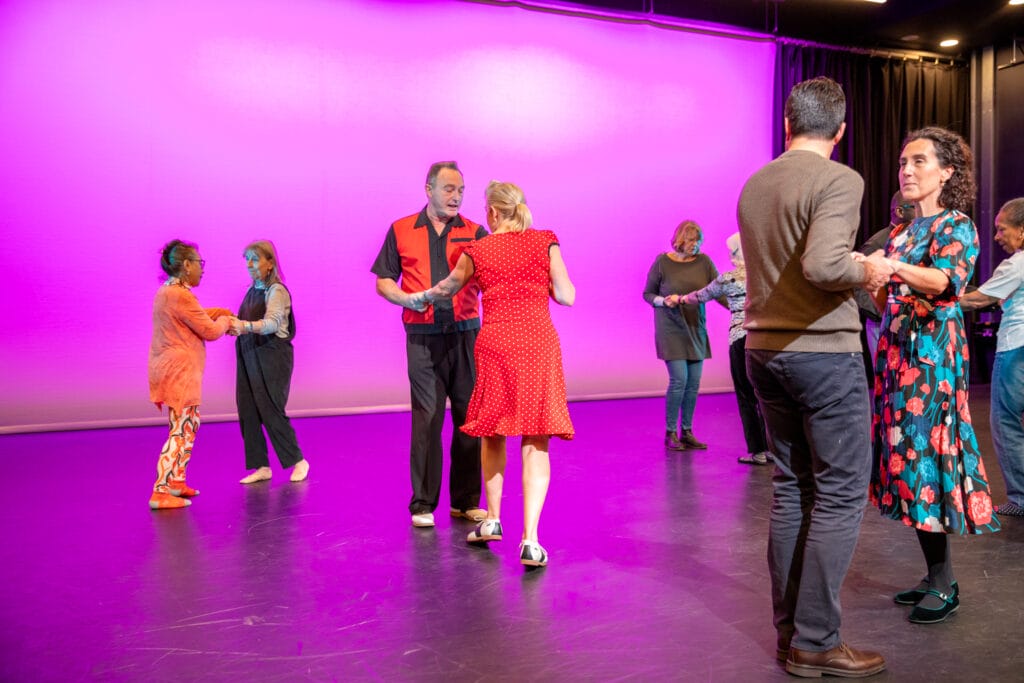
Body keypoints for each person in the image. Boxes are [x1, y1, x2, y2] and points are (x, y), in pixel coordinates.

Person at [738, 76, 890, 677]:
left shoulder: (756, 183)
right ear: (841, 130)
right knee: (840, 492)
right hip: (824, 355)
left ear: (787, 124)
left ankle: (790, 637)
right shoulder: (839, 177)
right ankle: (818, 641)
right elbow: (826, 264)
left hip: (764, 352)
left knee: (791, 490)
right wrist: (869, 265)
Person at [869, 127, 1000, 626]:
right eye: (903, 162)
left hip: (931, 366)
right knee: (904, 461)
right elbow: (887, 298)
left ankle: (945, 581)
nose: (906, 170)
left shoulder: (956, 225)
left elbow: (946, 283)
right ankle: (932, 573)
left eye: (919, 161)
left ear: (947, 172)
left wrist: (891, 266)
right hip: (897, 359)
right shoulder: (902, 232)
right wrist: (875, 279)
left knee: (927, 461)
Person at [416, 181, 574, 568]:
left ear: (491, 213)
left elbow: (447, 288)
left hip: (497, 344)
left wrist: (413, 297)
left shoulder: (479, 248)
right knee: (536, 437)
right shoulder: (544, 241)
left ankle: (492, 519)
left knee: (494, 432)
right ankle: (531, 541)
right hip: (538, 344)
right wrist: (544, 286)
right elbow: (567, 295)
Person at [371, 161, 487, 528]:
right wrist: (405, 299)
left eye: (461, 191)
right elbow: (384, 280)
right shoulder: (401, 229)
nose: (456, 197)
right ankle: (422, 503)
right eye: (449, 189)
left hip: (466, 335)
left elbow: (489, 279)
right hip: (421, 337)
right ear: (429, 189)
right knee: (427, 419)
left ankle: (465, 501)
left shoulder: (474, 231)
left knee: (469, 418)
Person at [147, 239, 232, 509]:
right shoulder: (179, 294)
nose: (202, 269)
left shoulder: (171, 292)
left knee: (189, 425)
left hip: (176, 371)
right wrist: (227, 321)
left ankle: (176, 481)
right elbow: (210, 331)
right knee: (180, 431)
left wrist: (218, 313)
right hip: (179, 373)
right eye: (199, 263)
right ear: (186, 265)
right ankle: (160, 491)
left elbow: (195, 318)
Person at [681, 233, 770, 465]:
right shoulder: (764, 276)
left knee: (745, 395)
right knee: (767, 396)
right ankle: (773, 450)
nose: (730, 256)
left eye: (732, 251)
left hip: (740, 340)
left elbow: (700, 296)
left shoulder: (728, 279)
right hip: (765, 339)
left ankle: (758, 450)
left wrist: (678, 299)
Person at [961, 198, 1024, 517]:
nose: (997, 236)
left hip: (1016, 350)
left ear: (1022, 232)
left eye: (1002, 229)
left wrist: (936, 299)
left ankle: (1021, 497)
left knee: (1006, 423)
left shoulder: (1017, 263)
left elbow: (979, 300)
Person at [230, 240, 309, 485]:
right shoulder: (251, 288)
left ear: (270, 262)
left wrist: (243, 326)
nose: (250, 264)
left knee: (271, 409)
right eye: (247, 260)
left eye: (255, 259)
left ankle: (298, 460)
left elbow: (273, 323)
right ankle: (261, 466)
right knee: (248, 409)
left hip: (272, 356)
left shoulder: (276, 290)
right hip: (249, 354)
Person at [642, 220, 717, 451]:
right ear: (680, 240)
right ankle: (670, 432)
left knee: (693, 383)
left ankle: (687, 431)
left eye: (698, 241)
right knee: (679, 381)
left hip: (695, 328)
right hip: (671, 328)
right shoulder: (662, 262)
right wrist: (661, 301)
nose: (695, 245)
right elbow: (647, 293)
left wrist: (739, 306)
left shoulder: (704, 262)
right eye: (691, 241)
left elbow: (719, 289)